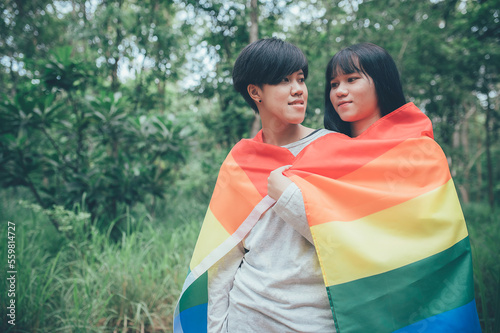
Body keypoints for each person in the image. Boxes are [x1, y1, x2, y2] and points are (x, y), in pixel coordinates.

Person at [266, 42, 481, 332]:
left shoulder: (418, 150)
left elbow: (432, 238)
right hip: (334, 308)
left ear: (381, 81)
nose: (339, 91)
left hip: (420, 299)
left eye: (352, 79)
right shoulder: (323, 155)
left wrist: (288, 194)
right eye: (334, 84)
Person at [173, 37, 335, 333]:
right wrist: (217, 328)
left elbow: (343, 239)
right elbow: (223, 260)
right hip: (246, 319)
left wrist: (288, 198)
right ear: (255, 92)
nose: (298, 89)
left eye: (301, 79)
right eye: (284, 80)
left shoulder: (333, 148)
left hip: (315, 320)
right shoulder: (241, 160)